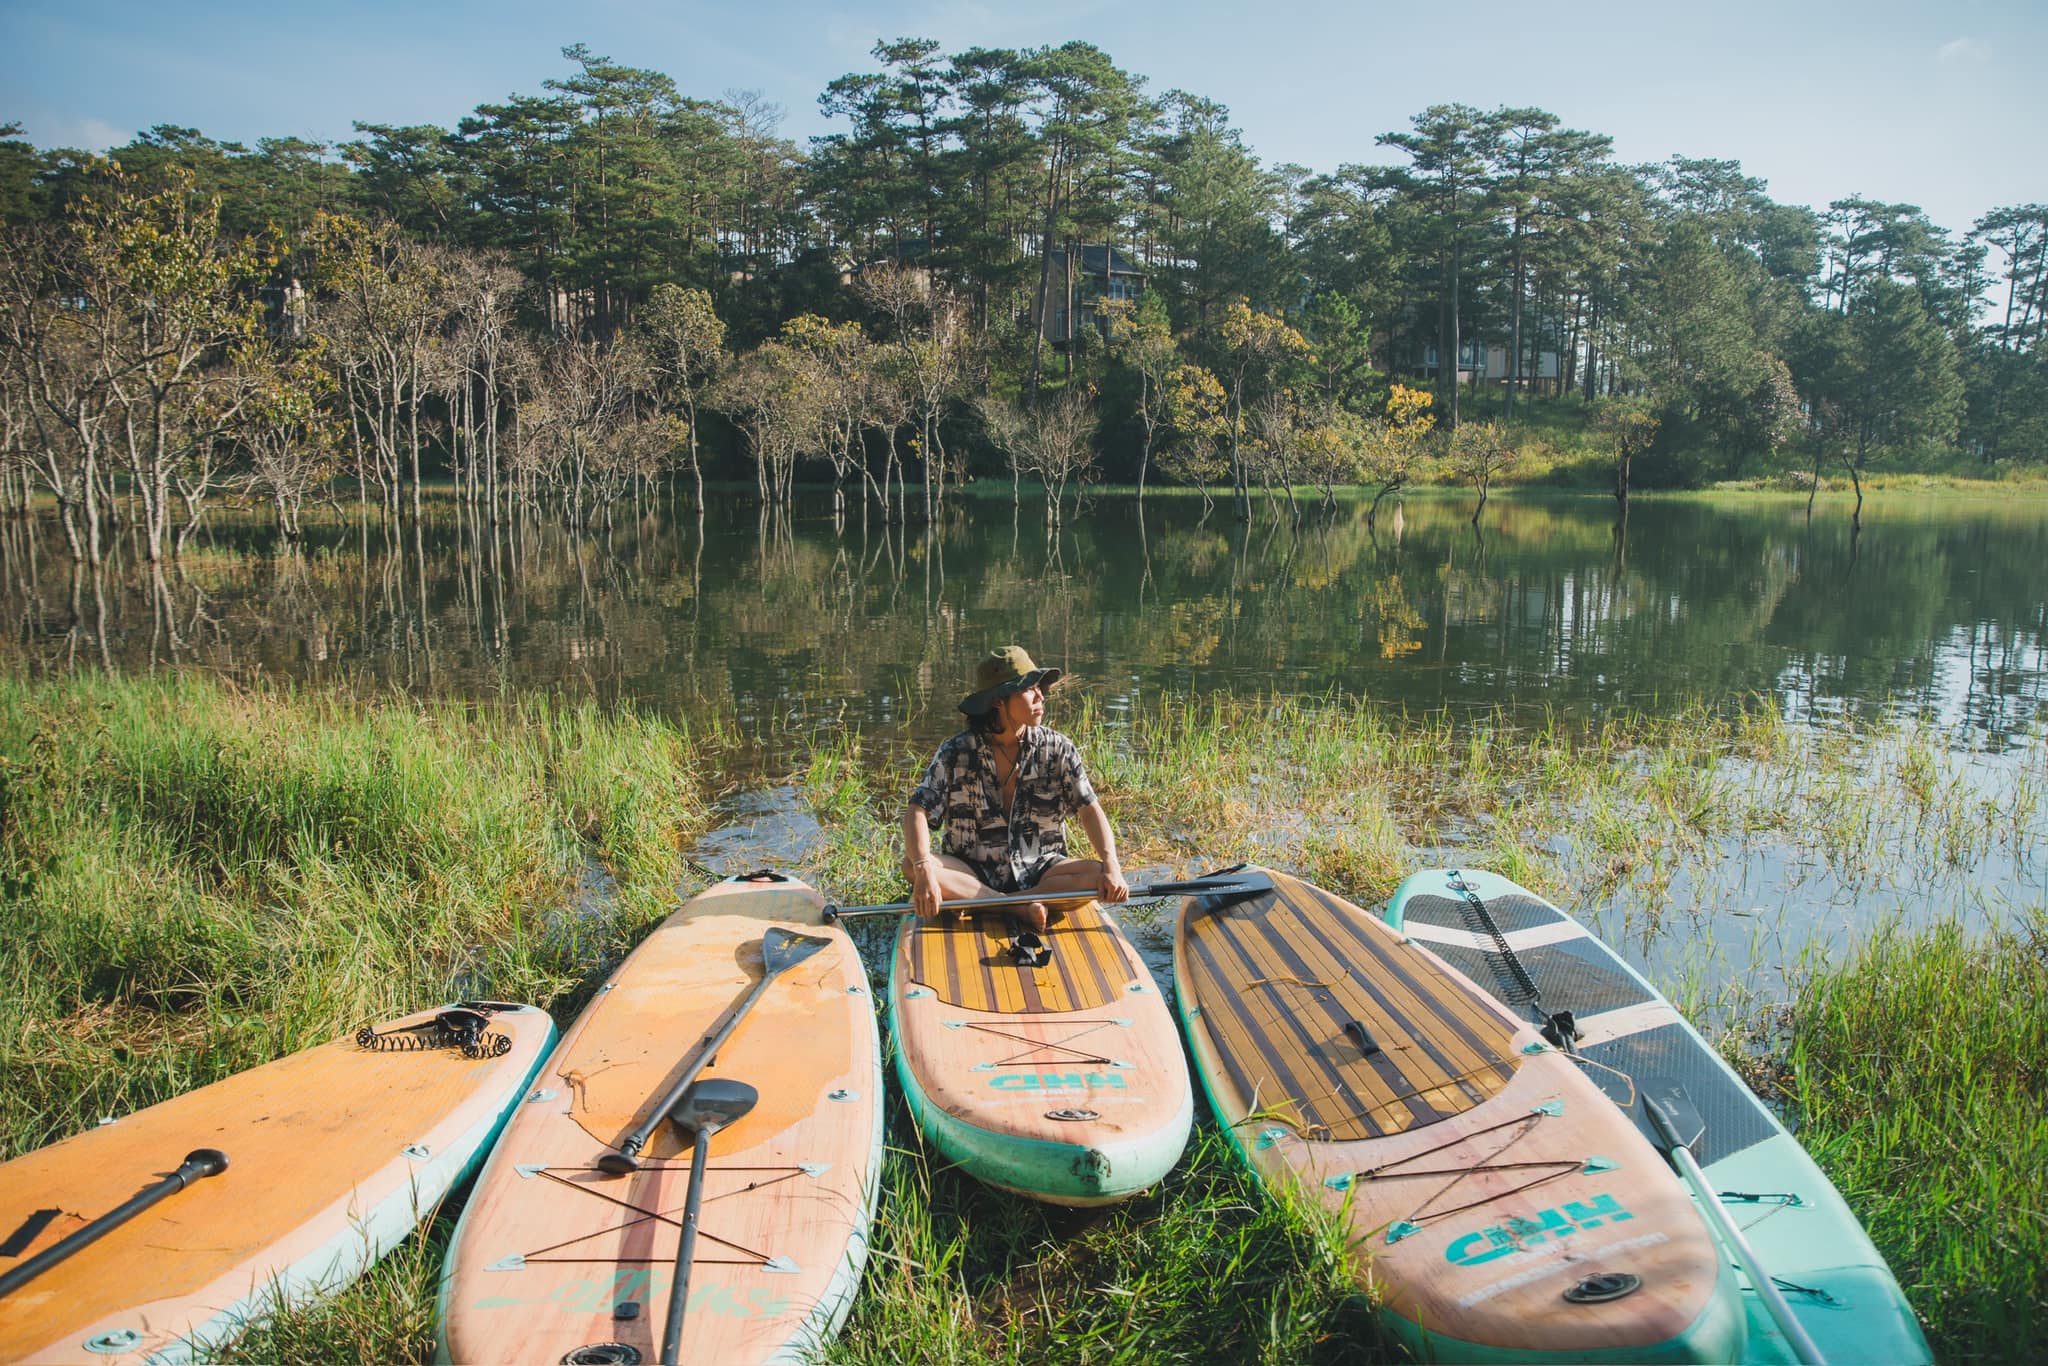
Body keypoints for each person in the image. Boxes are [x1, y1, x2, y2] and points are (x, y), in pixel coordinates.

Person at [902, 646, 1129, 932]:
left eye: (1040, 688)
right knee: (912, 865)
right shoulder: (956, 751)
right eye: (1030, 689)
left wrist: (1113, 866)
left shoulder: (1058, 748)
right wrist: (923, 868)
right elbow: (918, 810)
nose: (1041, 696)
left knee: (1098, 874)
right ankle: (1012, 905)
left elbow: (1089, 808)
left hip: (1042, 871)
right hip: (971, 871)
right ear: (998, 700)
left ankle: (990, 903)